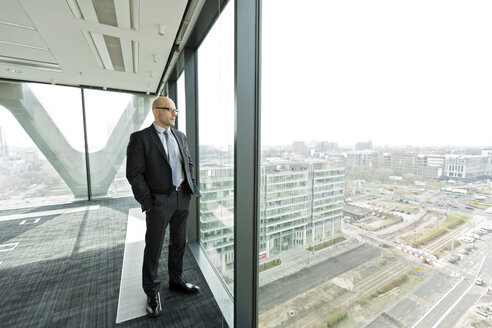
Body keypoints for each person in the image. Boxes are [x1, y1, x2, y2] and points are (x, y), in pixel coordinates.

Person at [126, 96, 201, 318]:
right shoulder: (140, 139)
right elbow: (134, 173)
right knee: (154, 247)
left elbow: (187, 163)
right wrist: (148, 202)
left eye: (175, 109)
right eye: (169, 109)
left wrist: (191, 187)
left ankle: (176, 280)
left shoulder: (180, 136)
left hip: (182, 197)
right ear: (156, 112)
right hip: (159, 201)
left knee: (179, 242)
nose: (174, 113)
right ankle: (152, 292)